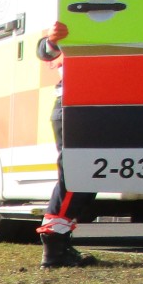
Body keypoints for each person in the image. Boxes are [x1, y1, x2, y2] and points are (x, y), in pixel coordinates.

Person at [37, 22, 97, 268]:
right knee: (76, 176)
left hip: (90, 104)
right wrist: (51, 41)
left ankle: (59, 247)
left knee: (86, 176)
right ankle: (54, 249)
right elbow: (45, 50)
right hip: (74, 105)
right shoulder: (74, 9)